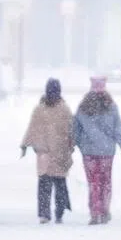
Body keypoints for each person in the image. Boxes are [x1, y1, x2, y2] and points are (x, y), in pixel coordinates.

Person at [73, 75, 121, 225]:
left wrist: (80, 145)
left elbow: (75, 131)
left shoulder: (83, 107)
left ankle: (95, 213)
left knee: (93, 183)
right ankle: (105, 211)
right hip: (107, 152)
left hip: (89, 153)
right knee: (106, 182)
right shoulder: (111, 107)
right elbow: (118, 130)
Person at [20, 78, 75, 224]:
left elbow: (32, 128)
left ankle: (50, 213)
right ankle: (57, 212)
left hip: (51, 153)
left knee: (50, 184)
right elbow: (71, 131)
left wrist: (25, 144)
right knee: (57, 184)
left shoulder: (43, 109)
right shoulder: (63, 109)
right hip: (54, 152)